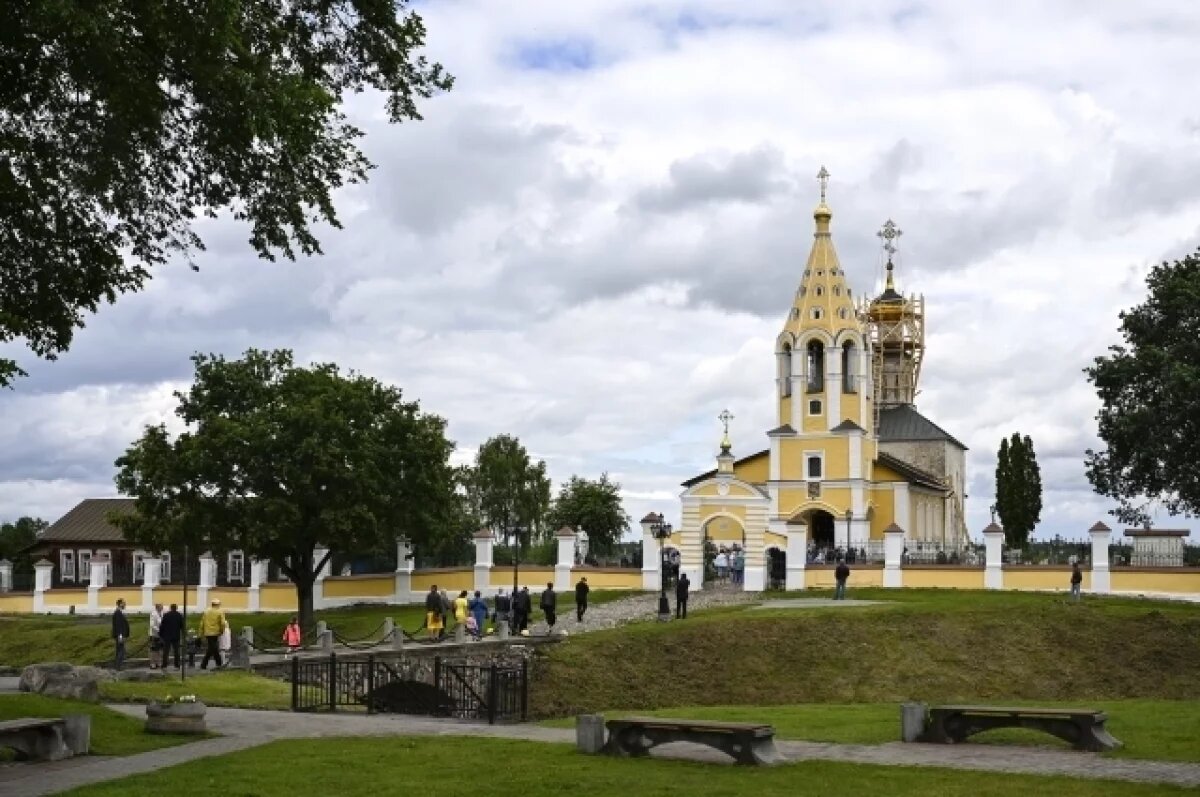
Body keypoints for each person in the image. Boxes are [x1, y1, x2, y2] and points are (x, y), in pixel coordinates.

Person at [199, 598, 227, 669]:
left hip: (207, 632)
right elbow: (223, 623)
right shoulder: (220, 612)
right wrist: (222, 631)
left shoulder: (206, 612)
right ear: (218, 605)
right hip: (215, 632)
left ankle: (208, 664)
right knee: (213, 648)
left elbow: (202, 623)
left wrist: (201, 632)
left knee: (213, 648)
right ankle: (216, 663)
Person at [160, 603, 183, 669]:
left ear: (170, 608)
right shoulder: (179, 615)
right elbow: (182, 626)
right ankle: (177, 665)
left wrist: (161, 634)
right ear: (176, 608)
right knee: (176, 651)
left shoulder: (166, 615)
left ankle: (164, 665)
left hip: (167, 636)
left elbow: (162, 626)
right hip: (176, 636)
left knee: (166, 651)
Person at [111, 598, 130, 670]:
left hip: (121, 635)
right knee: (120, 651)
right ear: (120, 604)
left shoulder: (119, 612)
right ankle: (118, 666)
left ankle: (118, 666)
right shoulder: (118, 613)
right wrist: (120, 636)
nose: (125, 604)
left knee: (121, 650)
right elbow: (118, 626)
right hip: (120, 635)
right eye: (123, 603)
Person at [148, 602, 164, 669]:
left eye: (162, 606)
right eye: (161, 606)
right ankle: (153, 663)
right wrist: (159, 630)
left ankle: (158, 662)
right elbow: (152, 625)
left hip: (161, 635)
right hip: (154, 634)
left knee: (159, 649)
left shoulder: (162, 614)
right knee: (154, 649)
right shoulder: (153, 614)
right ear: (157, 607)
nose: (162, 607)